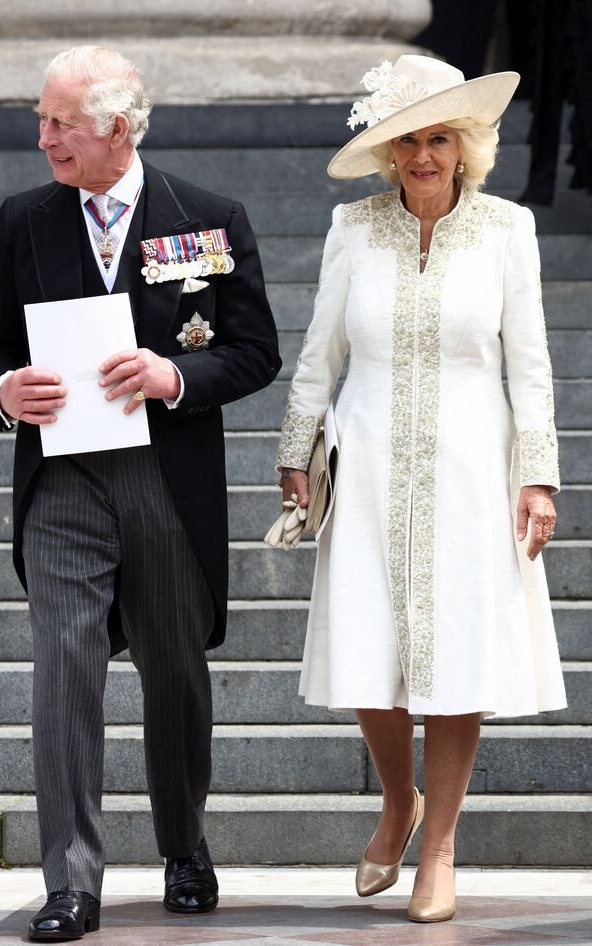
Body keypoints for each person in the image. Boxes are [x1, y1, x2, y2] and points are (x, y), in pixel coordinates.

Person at [0, 45, 280, 940]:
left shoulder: (208, 219)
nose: (42, 140)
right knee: (63, 672)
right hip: (62, 479)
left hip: (167, 481)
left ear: (117, 127)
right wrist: (3, 392)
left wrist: (173, 374)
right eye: (41, 119)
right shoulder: (24, 220)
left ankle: (184, 847)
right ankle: (71, 881)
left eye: (59, 123)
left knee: (174, 670)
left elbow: (255, 350)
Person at [274, 55, 566, 924]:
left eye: (440, 138)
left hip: (475, 465)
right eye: (408, 141)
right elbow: (321, 348)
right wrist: (297, 449)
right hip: (363, 462)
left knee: (459, 658)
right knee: (372, 652)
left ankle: (438, 846)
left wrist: (539, 477)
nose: (424, 156)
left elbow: (533, 363)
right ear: (388, 153)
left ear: (466, 146)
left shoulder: (509, 229)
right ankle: (396, 802)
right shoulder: (352, 228)